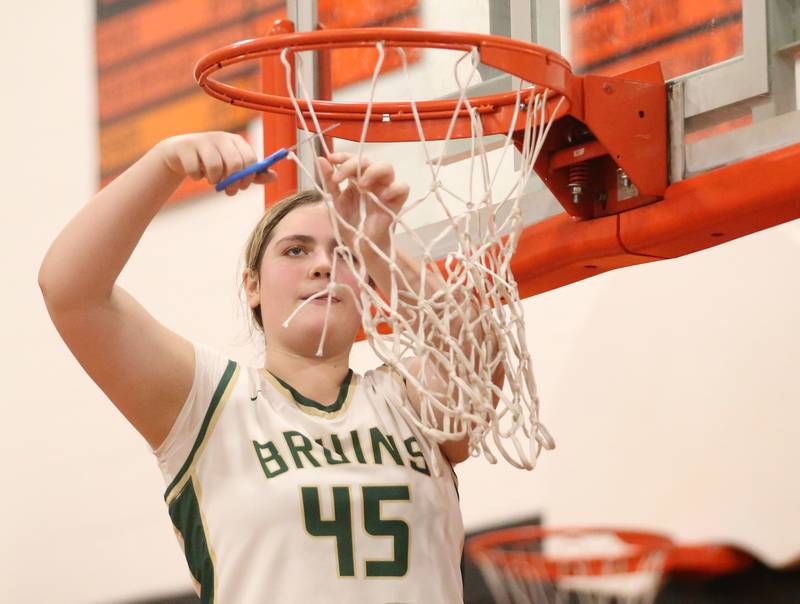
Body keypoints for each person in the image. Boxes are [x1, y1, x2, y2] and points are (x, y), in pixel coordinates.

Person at [39, 131, 484, 603]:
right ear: (252, 285)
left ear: (369, 285)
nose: (322, 266)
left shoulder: (409, 398)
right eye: (296, 249)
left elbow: (480, 353)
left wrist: (380, 246)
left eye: (345, 254)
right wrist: (165, 161)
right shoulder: (210, 402)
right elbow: (70, 291)